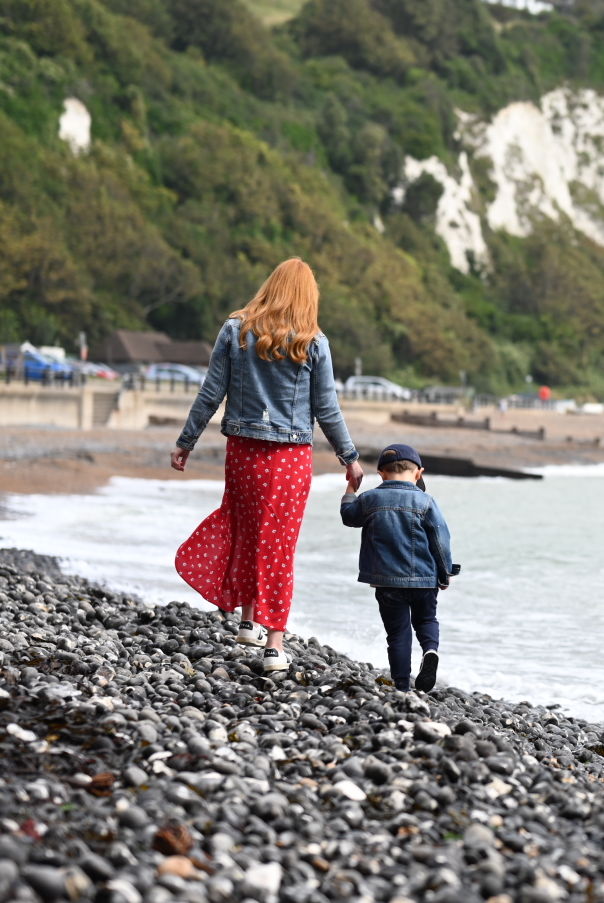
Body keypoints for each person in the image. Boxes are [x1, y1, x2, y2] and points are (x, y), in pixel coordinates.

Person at [170, 258, 364, 672]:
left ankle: (247, 621)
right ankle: (274, 643)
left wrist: (185, 442)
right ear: (308, 296)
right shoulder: (313, 341)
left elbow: (211, 393)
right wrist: (350, 458)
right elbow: (326, 409)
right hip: (290, 459)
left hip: (242, 451)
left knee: (245, 529)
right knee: (278, 544)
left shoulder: (235, 329)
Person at [341, 443, 458, 691]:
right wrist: (444, 573)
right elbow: (441, 541)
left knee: (397, 633)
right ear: (419, 473)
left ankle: (402, 686)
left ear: (381, 474)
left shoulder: (370, 499)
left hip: (387, 581)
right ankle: (430, 650)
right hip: (424, 578)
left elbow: (348, 517)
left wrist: (351, 486)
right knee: (426, 619)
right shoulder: (426, 501)